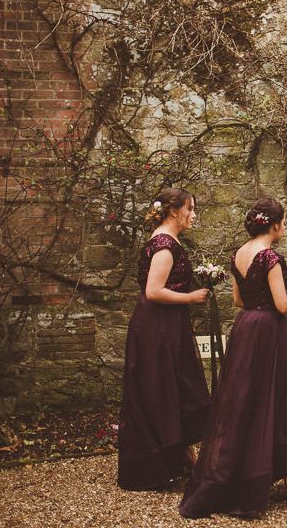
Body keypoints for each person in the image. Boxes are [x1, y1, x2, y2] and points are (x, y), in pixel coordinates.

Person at [179, 197, 287, 519]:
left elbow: (239, 300)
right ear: (275, 224)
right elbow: (282, 306)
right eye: (283, 222)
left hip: (245, 330)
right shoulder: (270, 257)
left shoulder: (238, 254)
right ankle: (283, 463)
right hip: (269, 331)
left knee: (244, 401)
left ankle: (252, 468)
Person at [118, 188, 211, 490]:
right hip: (157, 327)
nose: (194, 215)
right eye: (191, 209)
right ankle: (159, 463)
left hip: (165, 324)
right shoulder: (164, 245)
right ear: (175, 211)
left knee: (172, 388)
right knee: (161, 389)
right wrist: (191, 296)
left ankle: (184, 456)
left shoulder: (166, 240)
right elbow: (153, 291)